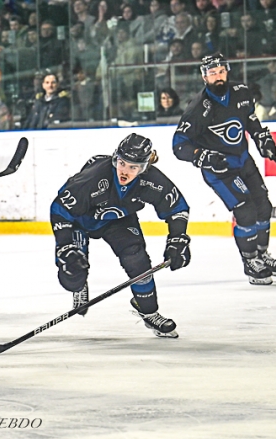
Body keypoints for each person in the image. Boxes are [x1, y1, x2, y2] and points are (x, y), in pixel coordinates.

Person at [51, 133, 191, 338]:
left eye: (133, 167)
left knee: (138, 261)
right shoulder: (94, 177)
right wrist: (65, 246)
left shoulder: (151, 180)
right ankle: (78, 285)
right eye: (122, 163)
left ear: (144, 167)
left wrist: (177, 240)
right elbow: (60, 207)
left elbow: (177, 207)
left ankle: (149, 311)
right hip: (79, 221)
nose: (124, 171)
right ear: (115, 157)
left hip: (118, 220)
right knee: (73, 269)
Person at [173, 53, 276, 285]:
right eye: (212, 73)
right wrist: (203, 156)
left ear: (227, 71)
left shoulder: (242, 92)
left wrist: (262, 138)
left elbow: (251, 120)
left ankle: (262, 255)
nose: (218, 76)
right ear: (204, 77)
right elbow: (179, 145)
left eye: (221, 71)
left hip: (243, 160)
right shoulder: (197, 107)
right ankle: (250, 261)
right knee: (245, 210)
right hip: (219, 170)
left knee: (263, 206)